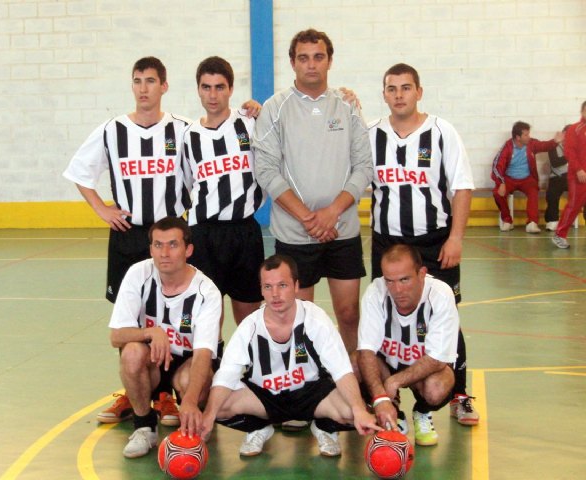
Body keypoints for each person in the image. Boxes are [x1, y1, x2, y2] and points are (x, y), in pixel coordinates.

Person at [63, 56, 188, 426]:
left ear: (164, 86)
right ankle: (135, 393)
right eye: (137, 81)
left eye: (150, 80)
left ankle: (165, 395)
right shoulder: (111, 130)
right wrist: (101, 208)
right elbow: (80, 171)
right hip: (128, 235)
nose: (143, 88)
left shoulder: (182, 130)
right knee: (128, 317)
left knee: (171, 315)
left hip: (169, 235)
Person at [367, 63, 478, 430]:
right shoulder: (371, 135)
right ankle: (389, 398)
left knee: (447, 314)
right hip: (388, 243)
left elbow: (462, 186)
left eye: (406, 87)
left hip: (434, 241)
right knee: (386, 317)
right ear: (384, 94)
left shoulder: (443, 132)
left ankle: (458, 394)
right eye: (392, 88)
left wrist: (456, 237)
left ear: (419, 91)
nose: (399, 94)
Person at [253, 28, 373, 356]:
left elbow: (364, 166)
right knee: (301, 319)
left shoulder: (347, 106)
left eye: (318, 57)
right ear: (292, 62)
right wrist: (309, 219)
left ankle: (353, 376)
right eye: (303, 58)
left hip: (342, 230)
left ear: (329, 61)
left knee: (349, 314)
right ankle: (308, 379)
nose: (311, 64)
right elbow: (266, 171)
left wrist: (331, 213)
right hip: (296, 235)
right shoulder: (275, 108)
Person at [200, 254, 381, 457]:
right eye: (268, 287)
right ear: (261, 290)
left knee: (353, 412)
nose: (275, 294)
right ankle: (258, 427)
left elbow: (341, 370)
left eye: (282, 285)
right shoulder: (250, 326)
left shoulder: (315, 319)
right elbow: (226, 374)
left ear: (296, 286)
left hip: (310, 394)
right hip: (264, 396)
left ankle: (324, 427)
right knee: (214, 406)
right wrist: (209, 414)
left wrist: (358, 409)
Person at [109, 217, 222, 458]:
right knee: (131, 352)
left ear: (188, 250)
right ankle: (144, 427)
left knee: (192, 382)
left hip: (188, 362)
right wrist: (150, 332)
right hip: (154, 359)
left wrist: (190, 401)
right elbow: (116, 336)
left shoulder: (207, 291)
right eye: (158, 245)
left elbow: (203, 354)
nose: (164, 253)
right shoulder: (138, 274)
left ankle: (192, 418)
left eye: (173, 244)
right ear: (150, 249)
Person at [182, 56, 264, 327]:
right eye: (206, 87)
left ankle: (250, 356)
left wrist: (261, 112)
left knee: (249, 317)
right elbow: (187, 183)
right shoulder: (189, 136)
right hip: (204, 235)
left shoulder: (250, 123)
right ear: (198, 89)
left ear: (231, 89)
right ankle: (211, 357)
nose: (213, 95)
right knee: (208, 318)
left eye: (220, 87)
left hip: (244, 231)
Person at [358, 245, 458, 446]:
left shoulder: (440, 295)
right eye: (390, 281)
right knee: (354, 364)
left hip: (423, 367)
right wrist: (380, 398)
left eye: (404, 279)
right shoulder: (375, 292)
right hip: (387, 364)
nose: (397, 290)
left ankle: (422, 411)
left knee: (437, 387)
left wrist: (394, 382)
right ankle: (393, 411)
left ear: (422, 274)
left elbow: (437, 359)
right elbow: (366, 351)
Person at [491, 121, 564, 233]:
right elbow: (496, 166)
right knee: (497, 193)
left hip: (527, 178)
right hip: (509, 179)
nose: (529, 137)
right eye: (526, 135)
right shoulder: (507, 147)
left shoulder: (531, 143)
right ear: (518, 137)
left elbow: (543, 145)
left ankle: (532, 223)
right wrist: (501, 182)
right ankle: (507, 220)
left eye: (528, 134)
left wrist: (554, 142)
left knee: (533, 191)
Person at [553, 101, 586, 249]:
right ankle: (559, 235)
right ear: (582, 112)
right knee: (574, 205)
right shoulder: (574, 129)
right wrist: (578, 169)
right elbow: (569, 151)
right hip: (578, 176)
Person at [545, 126, 574, 231]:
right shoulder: (553, 145)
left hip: (573, 177)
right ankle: (552, 220)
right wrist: (570, 153)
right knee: (552, 194)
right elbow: (555, 162)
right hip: (557, 176)